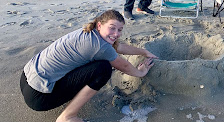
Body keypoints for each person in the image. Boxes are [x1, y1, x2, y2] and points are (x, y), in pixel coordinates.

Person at [20, 10, 158, 122]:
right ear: (99, 25)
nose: (116, 34)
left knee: (90, 62)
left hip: (26, 79)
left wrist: (144, 51)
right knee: (103, 68)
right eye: (112, 28)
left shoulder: (88, 32)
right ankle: (67, 117)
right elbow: (125, 66)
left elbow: (118, 46)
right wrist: (141, 72)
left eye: (120, 30)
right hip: (39, 97)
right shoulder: (99, 46)